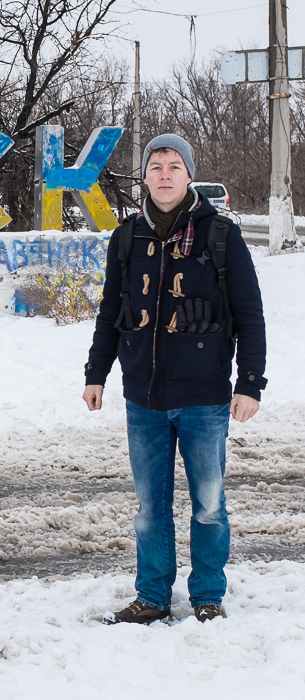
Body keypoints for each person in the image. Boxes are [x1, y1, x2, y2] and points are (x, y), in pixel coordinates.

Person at [82, 133, 267, 624]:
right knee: (149, 509)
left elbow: (250, 316)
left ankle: (207, 595)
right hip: (143, 397)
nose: (164, 174)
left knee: (208, 505)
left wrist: (250, 382)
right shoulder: (127, 238)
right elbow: (110, 313)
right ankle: (152, 596)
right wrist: (96, 372)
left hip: (204, 398)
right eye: (156, 166)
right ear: (144, 176)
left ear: (188, 175)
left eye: (174, 166)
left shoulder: (220, 236)